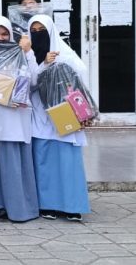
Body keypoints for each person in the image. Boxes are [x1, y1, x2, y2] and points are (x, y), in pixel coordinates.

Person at [0, 16, 39, 222]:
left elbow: (34, 80)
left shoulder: (21, 52)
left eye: (4, 34)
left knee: (13, 162)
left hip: (14, 116)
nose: (0, 38)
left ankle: (18, 205)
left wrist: (28, 52)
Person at [28, 15, 90, 222]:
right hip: (40, 113)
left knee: (68, 162)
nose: (38, 34)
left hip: (65, 112)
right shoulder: (28, 55)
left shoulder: (65, 52)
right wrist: (44, 64)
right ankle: (48, 205)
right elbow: (29, 84)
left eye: (42, 30)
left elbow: (81, 74)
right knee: (44, 161)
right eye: (33, 31)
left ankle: (72, 206)